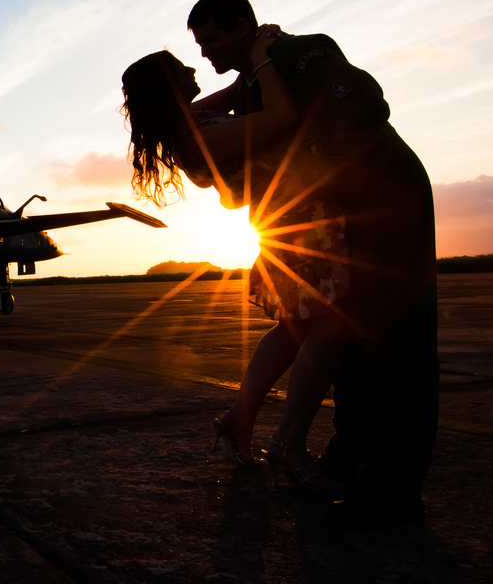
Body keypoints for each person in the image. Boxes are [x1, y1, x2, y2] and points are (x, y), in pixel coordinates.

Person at [186, 0, 439, 529]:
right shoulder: (257, 78)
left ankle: (391, 493)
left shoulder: (297, 54)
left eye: (212, 39)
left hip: (385, 197)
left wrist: (329, 167)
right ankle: (353, 465)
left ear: (242, 27)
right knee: (348, 341)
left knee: (396, 345)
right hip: (342, 215)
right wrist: (251, 69)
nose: (206, 55)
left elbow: (366, 108)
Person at [121, 42, 353, 496]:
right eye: (180, 67)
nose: (193, 66)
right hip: (298, 227)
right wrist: (264, 57)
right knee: (330, 330)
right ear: (170, 86)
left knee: (294, 329)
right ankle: (287, 441)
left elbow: (230, 92)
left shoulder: (188, 121)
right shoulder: (197, 136)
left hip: (288, 222)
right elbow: (282, 115)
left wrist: (252, 63)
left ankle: (239, 417)